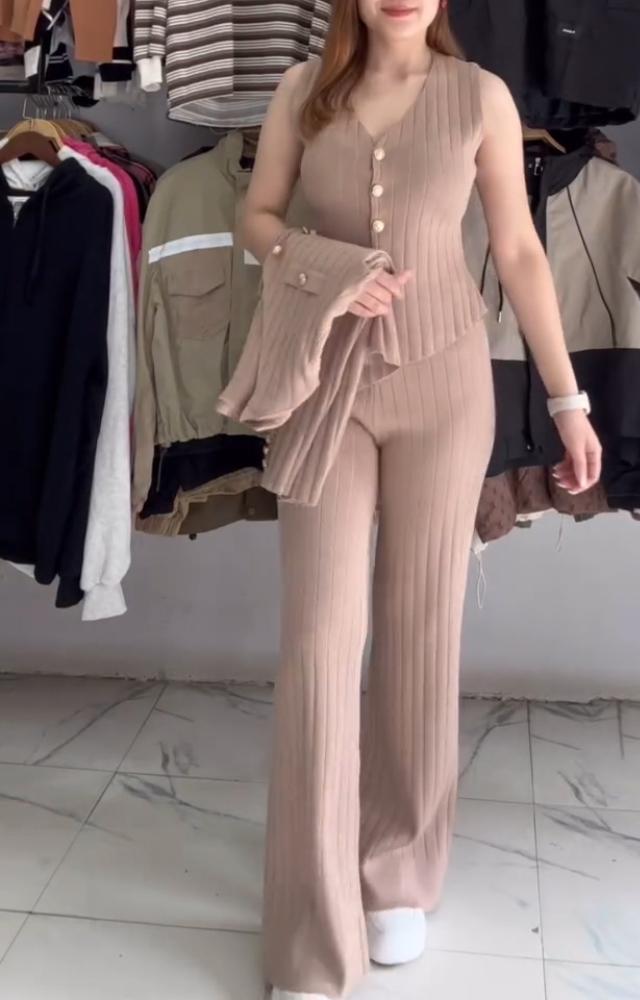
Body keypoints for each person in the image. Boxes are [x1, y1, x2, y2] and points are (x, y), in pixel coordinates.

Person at [242, 1, 602, 997]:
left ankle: (396, 868)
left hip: (446, 387)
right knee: (319, 644)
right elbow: (255, 218)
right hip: (326, 387)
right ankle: (310, 934)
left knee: (419, 632)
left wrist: (568, 402)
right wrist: (320, 265)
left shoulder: (479, 97)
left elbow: (518, 250)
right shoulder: (302, 93)